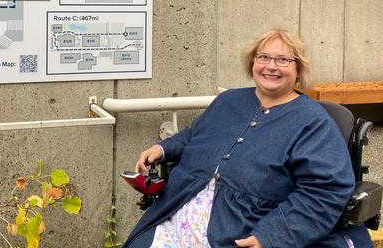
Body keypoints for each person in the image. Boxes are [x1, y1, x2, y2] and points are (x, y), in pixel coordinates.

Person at [125, 29, 373, 248]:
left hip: (246, 228)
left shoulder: (313, 123)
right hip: (178, 214)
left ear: (298, 70)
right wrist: (162, 148)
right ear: (253, 63)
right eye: (263, 57)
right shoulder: (229, 100)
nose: (271, 66)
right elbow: (194, 135)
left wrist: (270, 237)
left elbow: (323, 192)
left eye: (283, 60)